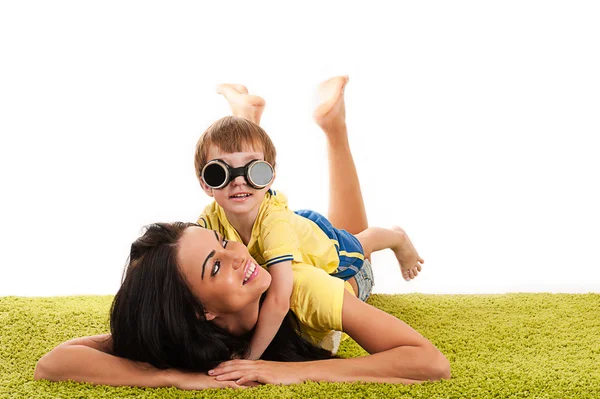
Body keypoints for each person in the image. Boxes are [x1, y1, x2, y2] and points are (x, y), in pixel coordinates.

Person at [34, 77, 449, 389]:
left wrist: (291, 371)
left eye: (222, 243)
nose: (239, 253)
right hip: (277, 229)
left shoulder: (303, 288)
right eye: (216, 266)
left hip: (332, 266)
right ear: (200, 314)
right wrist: (175, 378)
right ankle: (249, 124)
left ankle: (334, 130)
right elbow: (54, 363)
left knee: (354, 244)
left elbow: (430, 363)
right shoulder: (183, 324)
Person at [194, 78, 425, 360]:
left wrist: (249, 359)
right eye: (220, 173)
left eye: (255, 171)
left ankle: (395, 236)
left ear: (271, 177)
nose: (239, 181)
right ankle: (246, 119)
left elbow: (280, 300)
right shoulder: (211, 217)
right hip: (286, 229)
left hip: (324, 248)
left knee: (360, 243)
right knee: (243, 168)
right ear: (205, 184)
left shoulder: (274, 225)